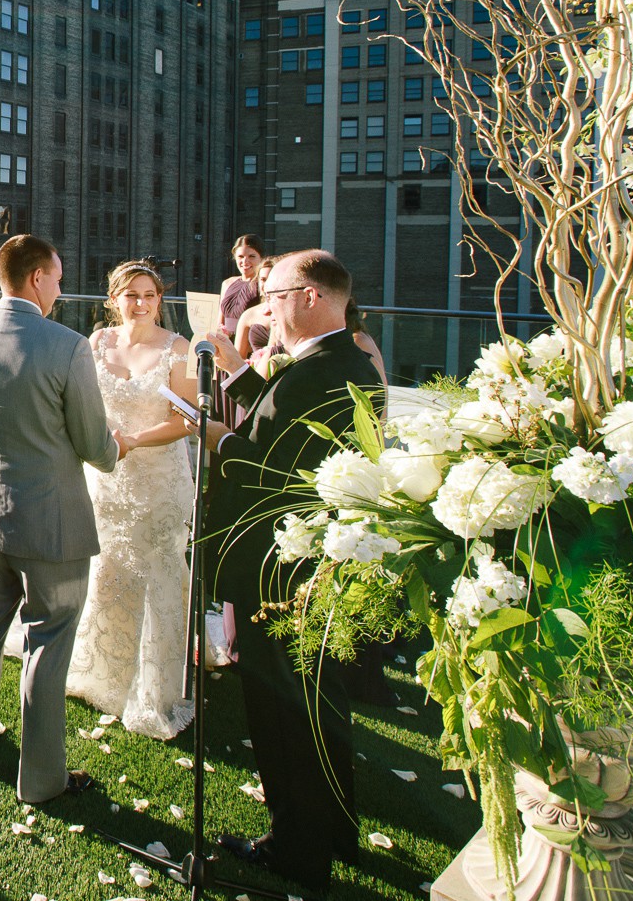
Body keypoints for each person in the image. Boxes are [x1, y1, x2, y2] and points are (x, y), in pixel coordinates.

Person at [202, 249, 383, 892]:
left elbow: (270, 473)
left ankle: (296, 847)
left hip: (280, 572)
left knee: (281, 712)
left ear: (310, 296)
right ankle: (336, 829)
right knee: (320, 703)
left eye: (274, 294)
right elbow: (290, 431)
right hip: (320, 565)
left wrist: (216, 440)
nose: (264, 305)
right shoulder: (351, 363)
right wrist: (243, 380)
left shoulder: (316, 373)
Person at [0, 235, 120, 805]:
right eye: (60, 278)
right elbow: (95, 445)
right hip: (50, 519)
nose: (63, 290)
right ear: (38, 278)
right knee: (48, 638)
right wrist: (119, 446)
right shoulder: (68, 346)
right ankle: (42, 779)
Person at [67, 260, 199, 739]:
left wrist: (133, 441)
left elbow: (187, 421)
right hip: (103, 477)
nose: (139, 303)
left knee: (154, 571)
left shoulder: (178, 350)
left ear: (160, 300)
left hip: (157, 481)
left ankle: (154, 687)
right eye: (130, 294)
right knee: (106, 567)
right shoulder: (97, 342)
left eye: (148, 295)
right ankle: (97, 668)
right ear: (113, 299)